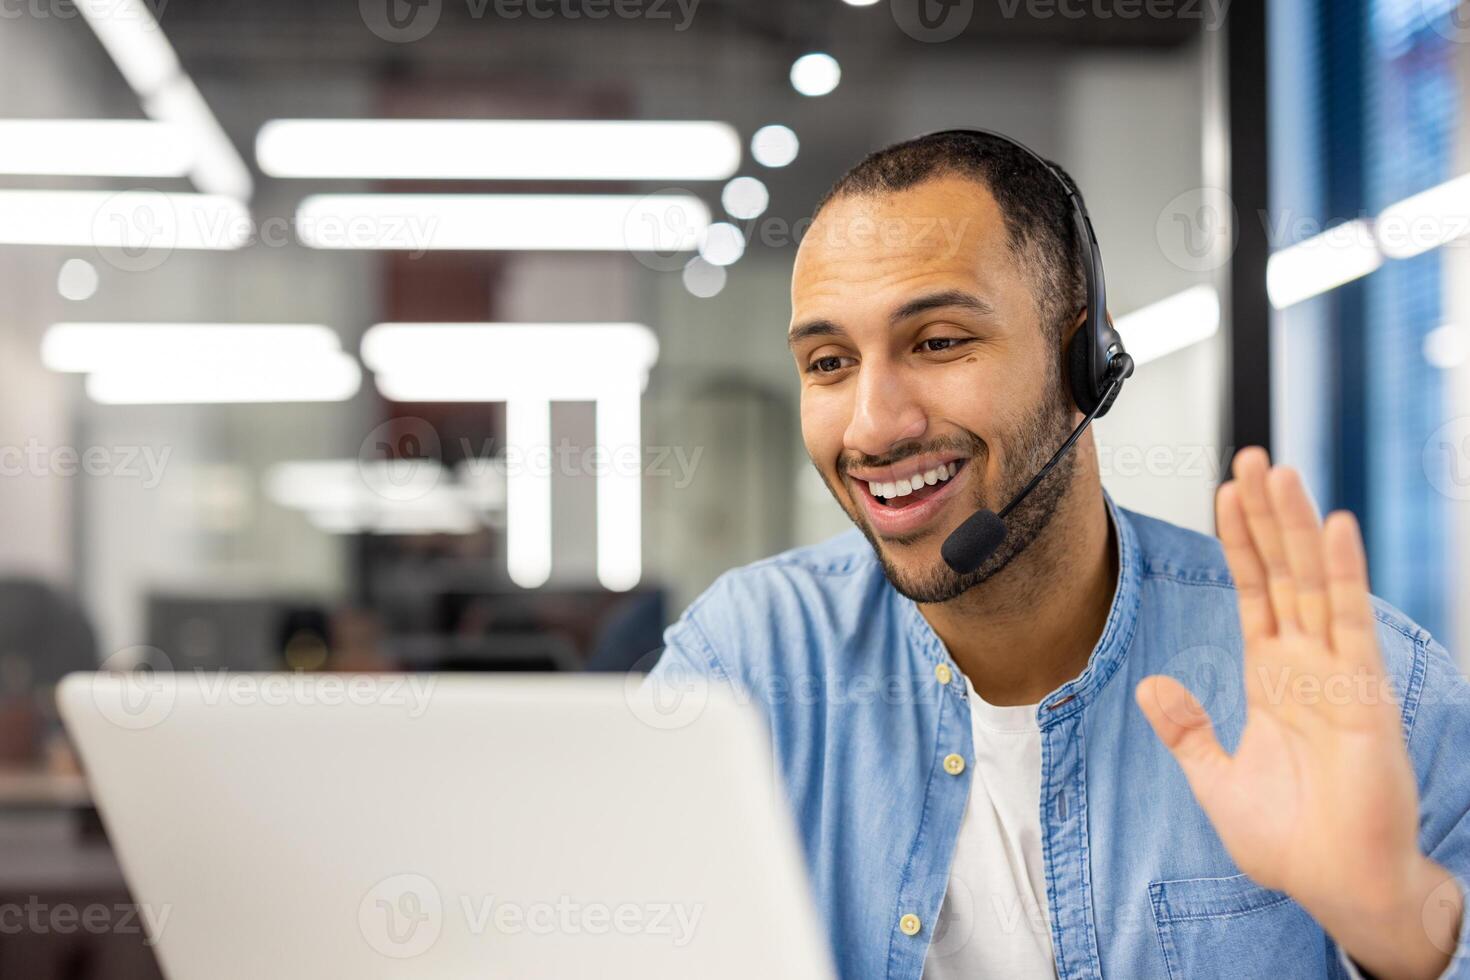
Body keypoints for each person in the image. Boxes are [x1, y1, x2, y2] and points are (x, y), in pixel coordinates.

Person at [645, 130, 1470, 980]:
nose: (871, 425)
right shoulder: (744, 665)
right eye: (829, 362)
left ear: (1088, 359)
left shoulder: (1354, 685)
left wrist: (1394, 922)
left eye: (937, 342)